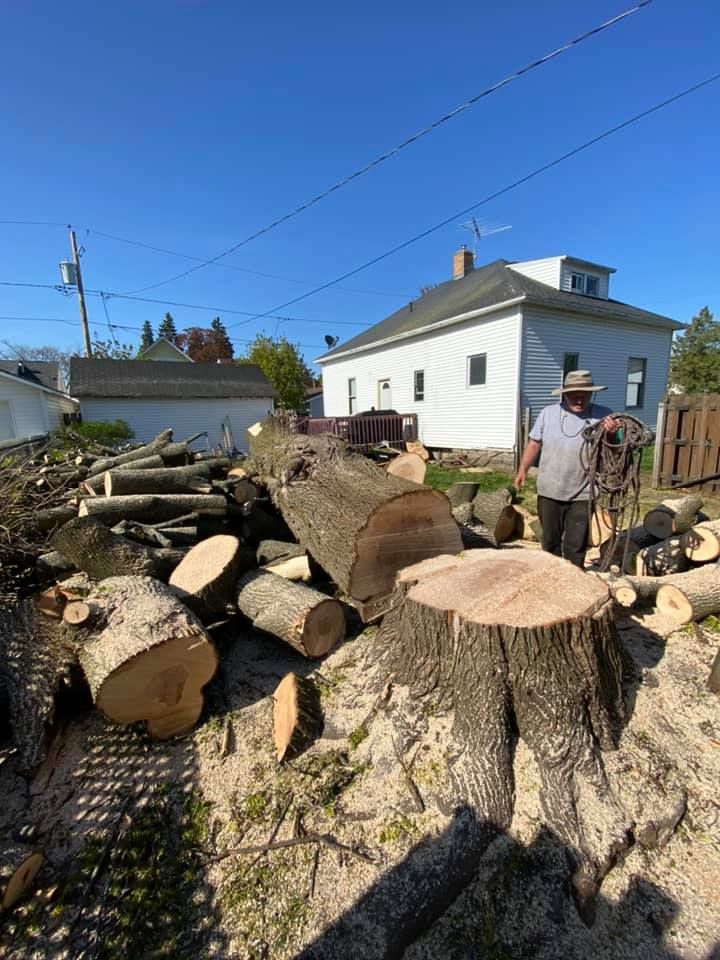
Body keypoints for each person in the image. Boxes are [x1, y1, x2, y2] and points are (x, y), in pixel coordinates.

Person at [514, 369, 619, 568]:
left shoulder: (604, 416)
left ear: (591, 394)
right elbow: (534, 443)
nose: (579, 399)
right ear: (565, 394)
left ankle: (574, 582)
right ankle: (550, 577)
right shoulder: (548, 413)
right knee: (550, 541)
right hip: (549, 488)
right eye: (574, 395)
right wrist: (522, 470)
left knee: (575, 544)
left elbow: (614, 450)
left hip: (583, 491)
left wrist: (612, 434)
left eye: (584, 395)